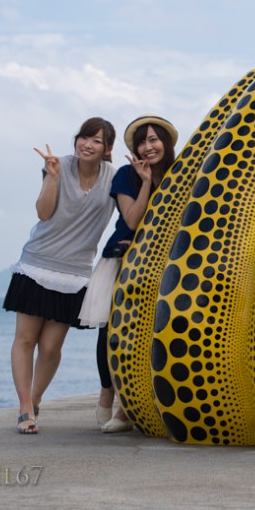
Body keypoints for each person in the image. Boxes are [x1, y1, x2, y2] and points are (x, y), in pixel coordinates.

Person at [4, 117, 117, 435]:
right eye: (84, 137)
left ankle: (35, 399)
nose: (87, 144)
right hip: (37, 264)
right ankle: (25, 408)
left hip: (75, 274)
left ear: (107, 148)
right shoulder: (59, 166)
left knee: (51, 347)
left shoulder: (113, 177)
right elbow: (43, 212)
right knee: (25, 340)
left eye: (96, 140)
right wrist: (52, 177)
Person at [78, 115, 178, 433]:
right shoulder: (126, 175)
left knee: (152, 333)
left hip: (163, 262)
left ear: (166, 143)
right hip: (123, 259)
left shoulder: (179, 175)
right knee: (112, 330)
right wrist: (146, 182)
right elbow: (132, 221)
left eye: (154, 139)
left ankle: (130, 407)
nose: (148, 147)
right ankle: (108, 394)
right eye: (142, 142)